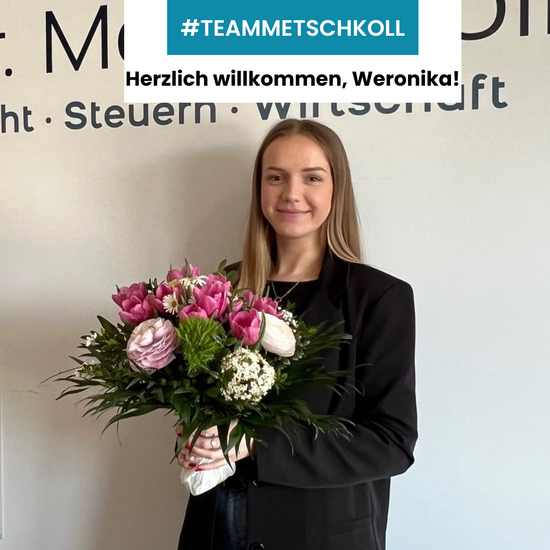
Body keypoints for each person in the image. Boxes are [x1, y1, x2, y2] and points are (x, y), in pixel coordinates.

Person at [175, 119, 417, 550]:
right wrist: (198, 433)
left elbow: (391, 443)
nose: (291, 193)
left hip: (320, 532)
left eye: (312, 177)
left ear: (336, 189)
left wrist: (256, 443)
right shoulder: (222, 290)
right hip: (217, 524)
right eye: (276, 177)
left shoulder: (378, 297)